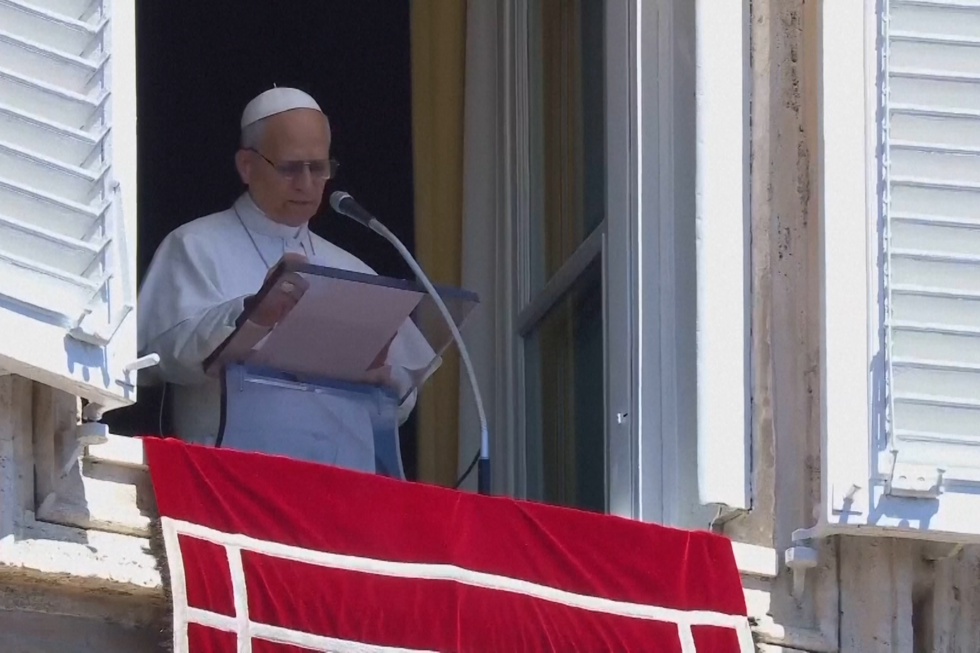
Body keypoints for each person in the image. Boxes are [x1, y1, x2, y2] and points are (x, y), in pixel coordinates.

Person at [137, 87, 434, 471]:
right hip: (231, 480)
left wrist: (383, 377)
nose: (307, 184)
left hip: (341, 488)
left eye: (319, 167)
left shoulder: (356, 271)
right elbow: (154, 358)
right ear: (247, 165)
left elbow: (400, 407)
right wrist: (252, 315)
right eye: (292, 168)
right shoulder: (194, 245)